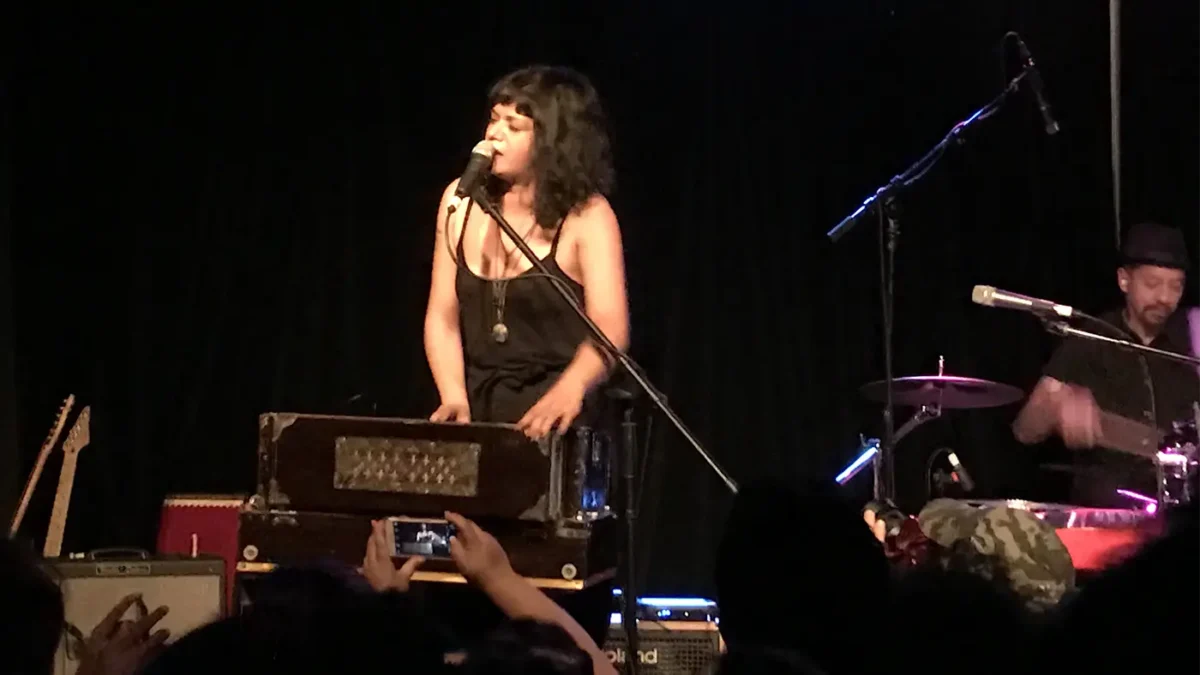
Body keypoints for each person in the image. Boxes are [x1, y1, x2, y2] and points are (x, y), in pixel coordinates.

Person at [423, 65, 630, 441]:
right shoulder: (460, 200)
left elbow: (610, 327)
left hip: (562, 421)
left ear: (552, 141)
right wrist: (453, 396)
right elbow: (442, 316)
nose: (493, 135)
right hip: (481, 414)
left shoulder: (587, 216)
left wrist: (569, 391)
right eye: (493, 120)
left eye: (513, 127)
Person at [1012, 222, 1200, 506]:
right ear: (1124, 280)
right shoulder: (1089, 338)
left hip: (1183, 510)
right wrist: (1056, 405)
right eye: (1152, 284)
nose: (1165, 297)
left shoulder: (1192, 335)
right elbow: (1025, 430)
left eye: (1176, 286)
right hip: (1109, 508)